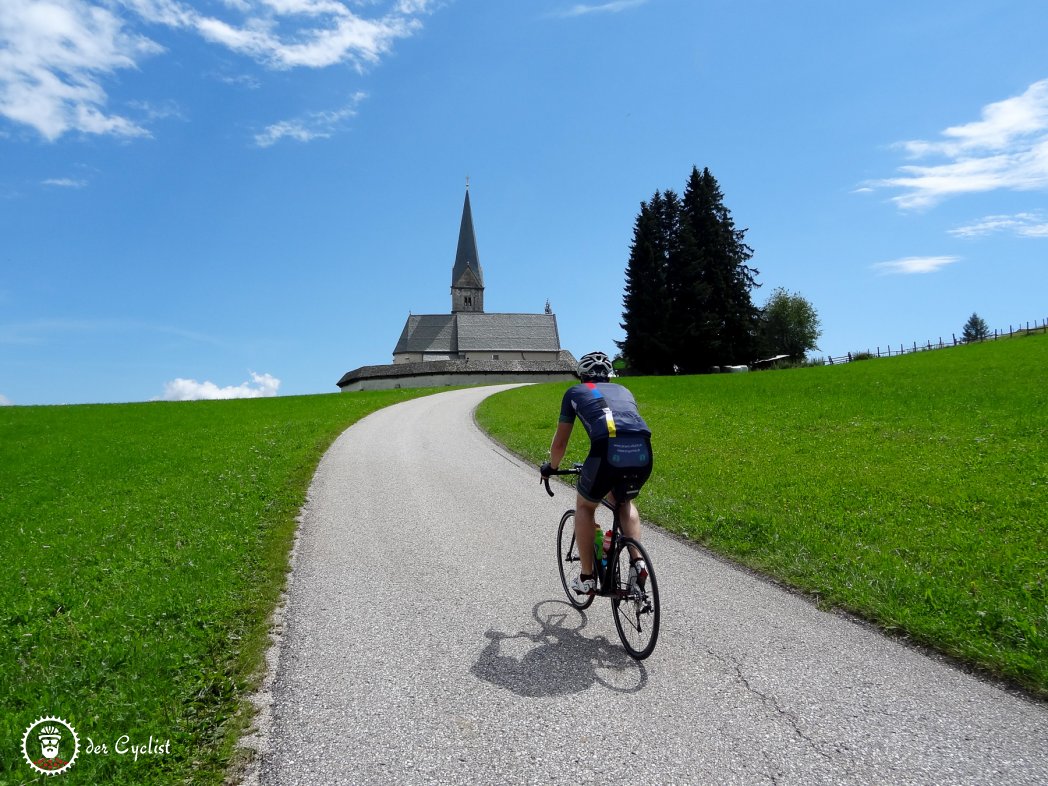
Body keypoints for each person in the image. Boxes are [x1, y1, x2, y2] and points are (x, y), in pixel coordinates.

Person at [540, 351, 653, 595]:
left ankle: (587, 577)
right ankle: (638, 561)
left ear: (581, 375)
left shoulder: (574, 393)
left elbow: (559, 445)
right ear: (609, 376)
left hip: (608, 451)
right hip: (643, 450)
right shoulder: (624, 390)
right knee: (624, 501)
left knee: (585, 507)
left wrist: (552, 467)